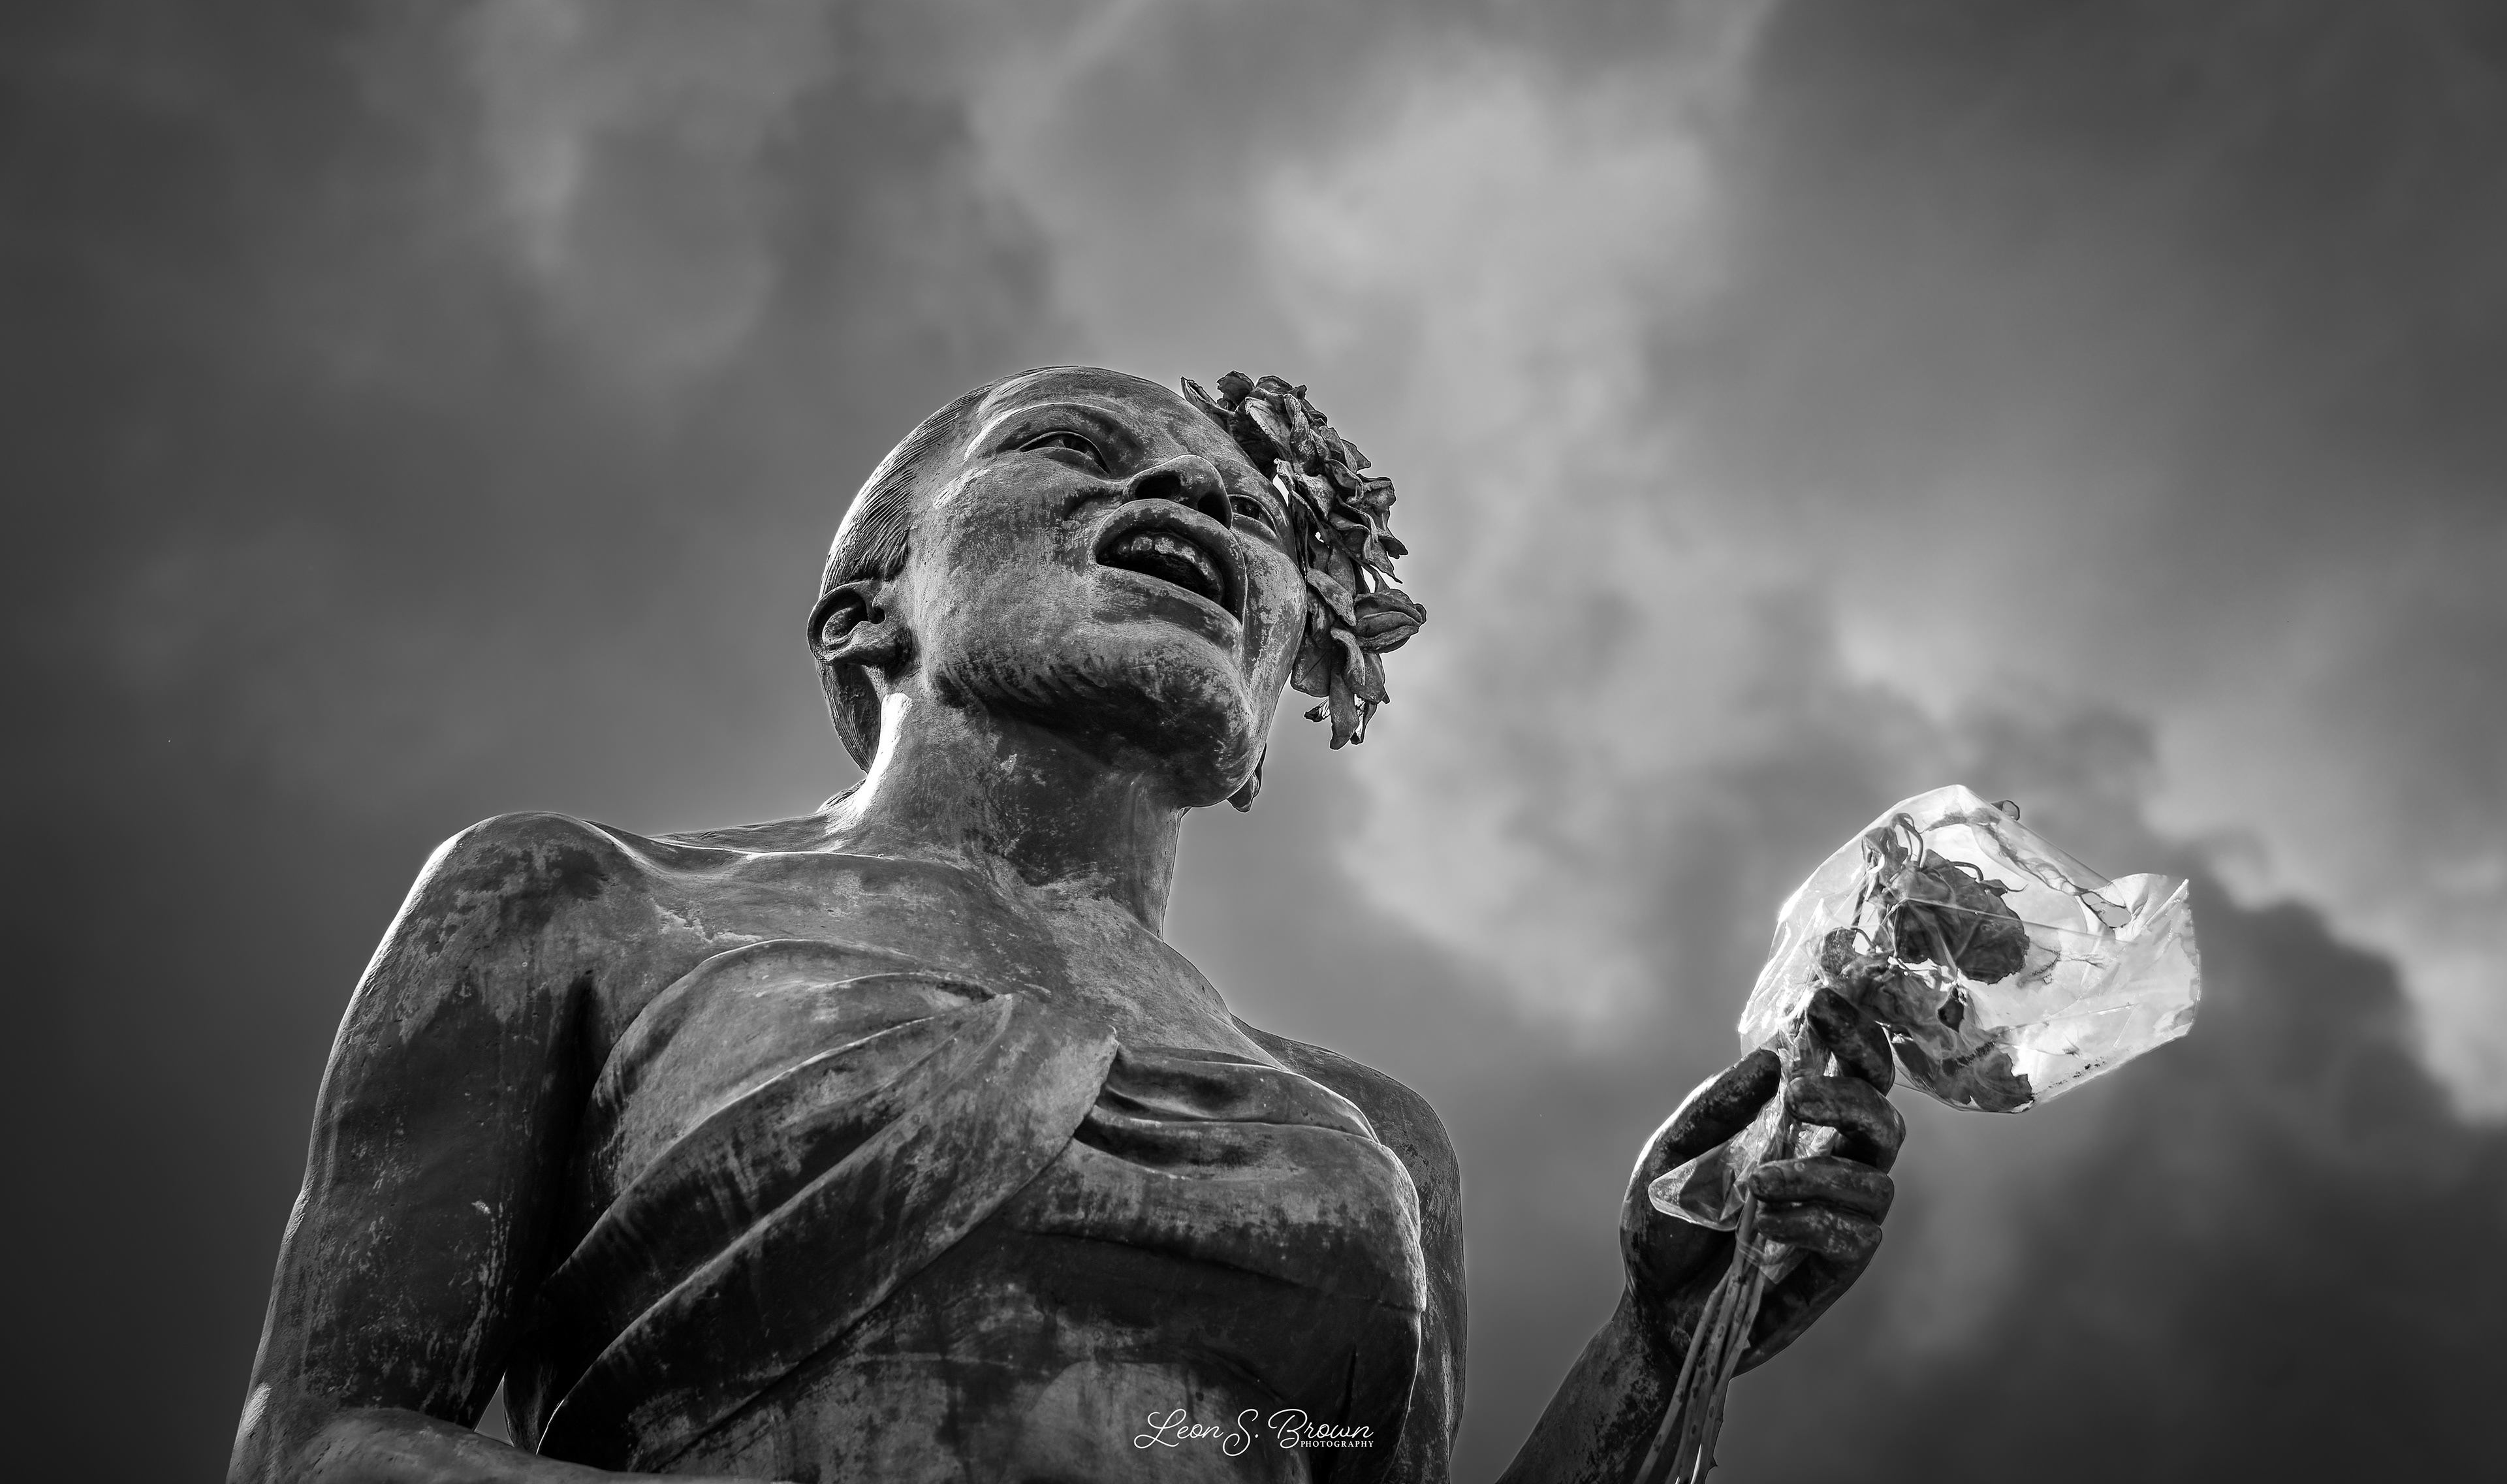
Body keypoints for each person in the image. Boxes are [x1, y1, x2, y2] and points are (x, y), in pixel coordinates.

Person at [230, 366, 1904, 1484]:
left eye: (1253, 517)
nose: (1192, 489)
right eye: (1072, 446)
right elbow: (325, 1446)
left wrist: (1669, 1339)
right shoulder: (578, 903)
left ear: (1272, 695)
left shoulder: (1379, 1139)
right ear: (866, 608)